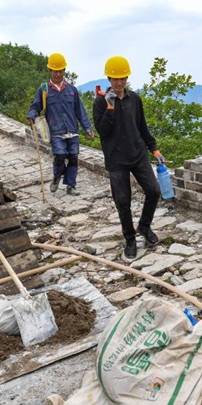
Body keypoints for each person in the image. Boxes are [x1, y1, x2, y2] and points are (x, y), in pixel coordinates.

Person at [93, 55, 163, 261]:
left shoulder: (135, 99)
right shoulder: (100, 102)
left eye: (122, 78)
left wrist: (154, 149)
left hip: (138, 154)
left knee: (153, 190)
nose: (119, 82)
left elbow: (142, 126)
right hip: (116, 160)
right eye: (115, 79)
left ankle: (144, 226)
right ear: (108, 79)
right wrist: (110, 108)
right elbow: (102, 131)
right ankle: (130, 239)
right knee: (123, 201)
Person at [27, 53, 94, 196]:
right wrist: (31, 115)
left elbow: (80, 111)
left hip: (72, 130)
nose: (58, 74)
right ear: (50, 70)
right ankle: (57, 176)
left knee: (74, 157)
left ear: (64, 70)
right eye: (55, 70)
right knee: (60, 155)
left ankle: (71, 186)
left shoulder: (72, 90)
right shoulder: (44, 90)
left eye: (60, 70)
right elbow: (35, 107)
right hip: (56, 131)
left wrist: (87, 128)